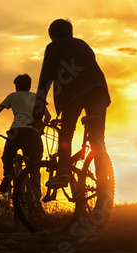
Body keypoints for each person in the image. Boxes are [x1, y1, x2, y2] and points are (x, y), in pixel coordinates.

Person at [32, 19, 111, 188]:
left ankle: (63, 172)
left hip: (72, 95)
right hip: (98, 91)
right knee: (98, 139)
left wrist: (37, 115)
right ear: (71, 33)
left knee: (66, 135)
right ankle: (104, 186)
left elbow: (44, 81)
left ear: (52, 36)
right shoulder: (83, 44)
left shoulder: (53, 47)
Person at [0, 74, 51, 193]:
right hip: (32, 133)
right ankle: (36, 198)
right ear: (29, 86)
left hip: (16, 131)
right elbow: (48, 116)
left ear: (16, 86)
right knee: (34, 166)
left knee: (8, 156)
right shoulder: (36, 98)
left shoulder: (13, 96)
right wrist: (41, 130)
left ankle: (9, 174)